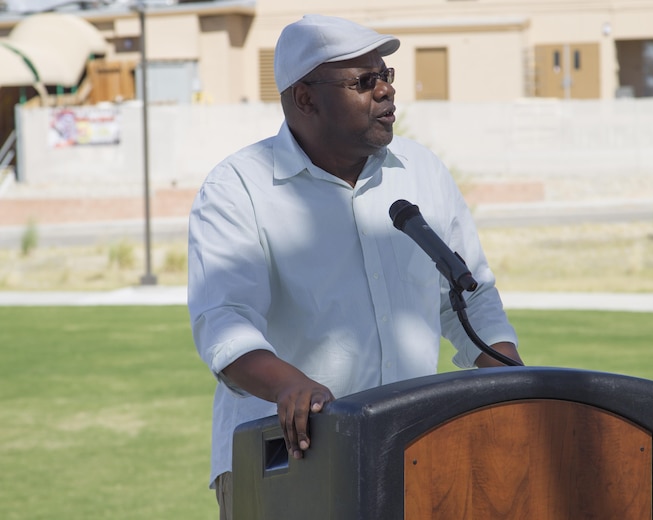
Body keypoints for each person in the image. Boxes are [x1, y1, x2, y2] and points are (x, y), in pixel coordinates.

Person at [187, 14, 522, 519]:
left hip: (411, 452)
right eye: (365, 81)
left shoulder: (422, 172)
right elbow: (224, 320)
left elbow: (470, 296)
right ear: (305, 98)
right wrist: (288, 385)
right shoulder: (238, 188)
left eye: (387, 75)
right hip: (286, 460)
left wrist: (518, 391)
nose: (386, 92)